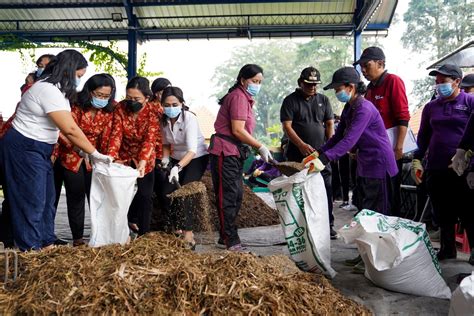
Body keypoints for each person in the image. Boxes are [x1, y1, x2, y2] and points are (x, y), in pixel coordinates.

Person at [1, 49, 112, 251]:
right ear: (69, 70)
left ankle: (46, 241)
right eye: (79, 75)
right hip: (25, 146)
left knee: (47, 198)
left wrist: (87, 151)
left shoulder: (56, 90)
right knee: (32, 200)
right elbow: (69, 128)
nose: (79, 81)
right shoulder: (48, 90)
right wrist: (94, 153)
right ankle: (31, 248)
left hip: (40, 148)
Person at [304, 67, 398, 273]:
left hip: (380, 165)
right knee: (365, 213)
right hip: (365, 164)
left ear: (351, 87)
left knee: (378, 215)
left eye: (339, 88)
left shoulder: (364, 108)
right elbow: (337, 137)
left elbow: (349, 140)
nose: (338, 92)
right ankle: (364, 255)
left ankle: (377, 260)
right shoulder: (349, 108)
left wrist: (325, 159)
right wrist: (318, 153)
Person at [411, 64, 474, 265]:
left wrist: (469, 158)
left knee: (468, 211)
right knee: (442, 211)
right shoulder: (431, 107)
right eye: (437, 82)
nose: (439, 86)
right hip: (436, 167)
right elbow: (423, 137)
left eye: (443, 82)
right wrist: (417, 159)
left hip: (461, 168)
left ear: (457, 82)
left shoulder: (470, 102)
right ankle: (447, 250)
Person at [209, 64, 274, 252]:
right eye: (254, 81)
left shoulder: (245, 98)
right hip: (224, 152)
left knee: (236, 195)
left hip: (234, 152)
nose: (257, 85)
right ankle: (230, 239)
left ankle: (225, 236)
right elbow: (237, 130)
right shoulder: (238, 97)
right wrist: (259, 146)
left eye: (260, 82)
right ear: (243, 80)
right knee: (227, 196)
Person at [53, 74, 116, 246]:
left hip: (95, 157)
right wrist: (79, 149)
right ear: (89, 92)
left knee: (96, 195)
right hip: (71, 155)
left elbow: (107, 136)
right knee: (76, 195)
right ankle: (78, 238)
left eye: (106, 96)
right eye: (98, 95)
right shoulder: (75, 106)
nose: (102, 99)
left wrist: (102, 157)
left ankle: (99, 236)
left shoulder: (108, 111)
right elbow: (64, 131)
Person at [280, 66, 337, 239]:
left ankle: (328, 225)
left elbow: (329, 124)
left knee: (325, 189)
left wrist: (331, 146)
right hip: (297, 156)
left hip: (321, 155)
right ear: (300, 83)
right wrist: (301, 145)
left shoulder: (324, 100)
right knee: (298, 190)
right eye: (308, 84)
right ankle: (299, 228)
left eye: (315, 84)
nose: (312, 87)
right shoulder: (290, 101)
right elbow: (287, 127)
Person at [354, 46, 410, 218]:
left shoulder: (393, 81)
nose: (363, 70)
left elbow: (402, 117)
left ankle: (390, 237)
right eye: (361, 66)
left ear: (380, 63)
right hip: (372, 154)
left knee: (389, 197)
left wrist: (398, 147)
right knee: (372, 196)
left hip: (391, 151)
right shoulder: (369, 89)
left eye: (367, 65)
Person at [158, 87, 209, 250]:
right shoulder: (163, 120)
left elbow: (192, 150)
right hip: (176, 156)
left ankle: (189, 234)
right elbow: (166, 143)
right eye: (167, 105)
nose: (170, 108)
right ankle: (176, 228)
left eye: (174, 104)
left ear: (182, 104)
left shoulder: (190, 119)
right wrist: (166, 159)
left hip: (196, 158)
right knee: (167, 191)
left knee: (186, 192)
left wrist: (177, 168)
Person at [107, 76, 158, 236]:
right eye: (129, 97)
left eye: (136, 99)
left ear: (147, 98)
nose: (131, 101)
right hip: (123, 156)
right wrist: (111, 158)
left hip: (145, 157)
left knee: (145, 195)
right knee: (119, 194)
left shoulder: (153, 111)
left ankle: (144, 234)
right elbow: (116, 134)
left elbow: (150, 139)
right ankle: (118, 232)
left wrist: (142, 161)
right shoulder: (121, 108)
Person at [150, 77, 172, 229]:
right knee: (156, 189)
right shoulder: (151, 108)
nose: (165, 94)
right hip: (152, 154)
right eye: (162, 91)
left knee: (165, 188)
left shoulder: (170, 106)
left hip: (167, 154)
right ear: (156, 93)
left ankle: (167, 221)